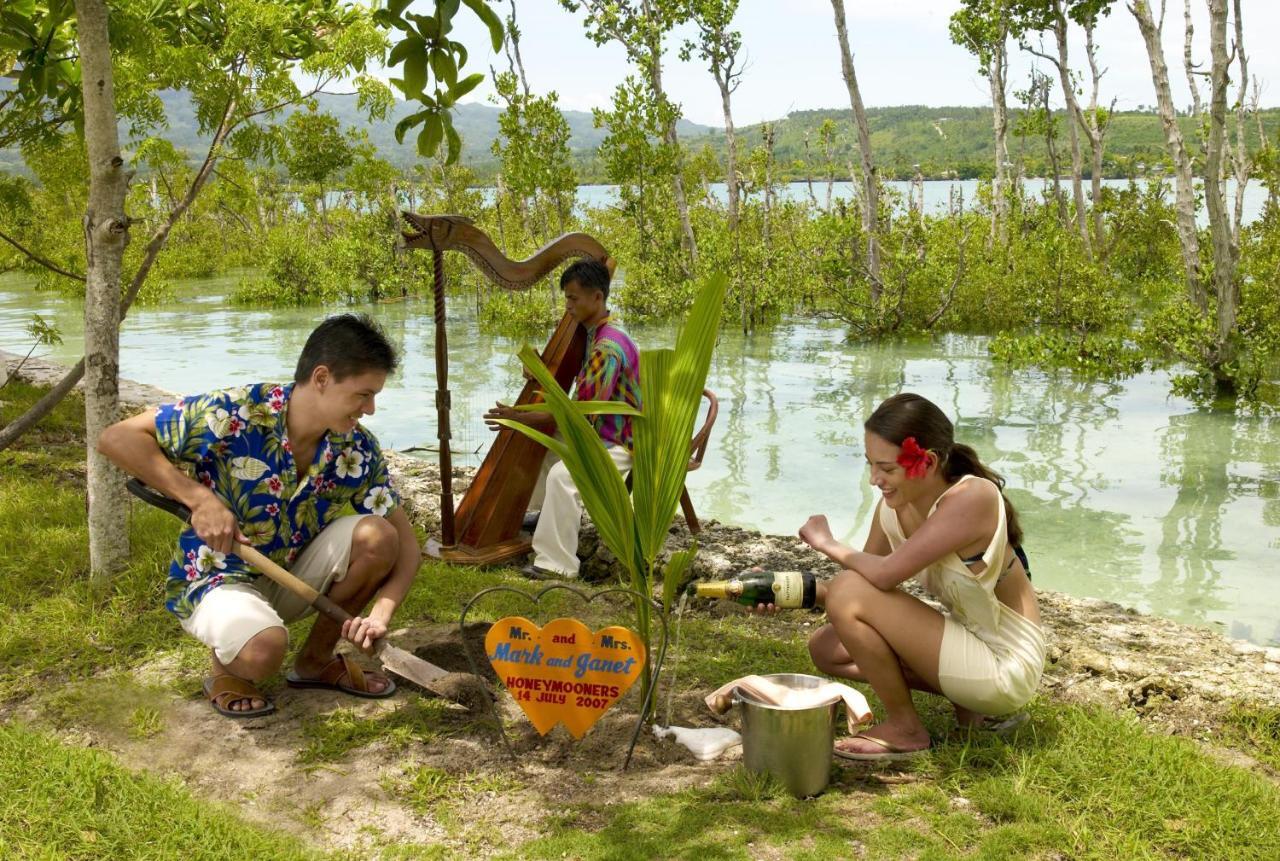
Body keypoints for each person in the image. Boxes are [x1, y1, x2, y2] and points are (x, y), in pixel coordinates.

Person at [97, 314, 421, 718]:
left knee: (379, 537)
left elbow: (406, 547)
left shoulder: (356, 447)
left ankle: (316, 661)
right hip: (217, 577)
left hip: (291, 575)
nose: (370, 409)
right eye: (363, 394)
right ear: (321, 377)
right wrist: (199, 499)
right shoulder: (235, 412)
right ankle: (227, 669)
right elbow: (118, 438)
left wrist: (379, 616)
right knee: (263, 651)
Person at [793, 393, 1044, 760]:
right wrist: (788, 590)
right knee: (827, 649)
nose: (875, 479)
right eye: (870, 465)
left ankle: (906, 728)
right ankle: (969, 705)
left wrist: (826, 543)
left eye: (887, 469)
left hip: (1007, 665)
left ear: (925, 461)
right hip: (968, 643)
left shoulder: (973, 497)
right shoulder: (891, 509)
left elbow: (879, 577)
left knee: (850, 591)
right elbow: (851, 592)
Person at [483, 259, 640, 579]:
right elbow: (578, 406)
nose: (567, 306)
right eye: (566, 297)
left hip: (619, 441)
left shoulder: (606, 349)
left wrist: (518, 417)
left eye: (573, 298)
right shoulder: (595, 333)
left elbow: (575, 417)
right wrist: (539, 370)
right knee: (537, 444)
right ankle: (545, 516)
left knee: (561, 475)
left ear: (597, 298)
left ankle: (556, 565)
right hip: (597, 431)